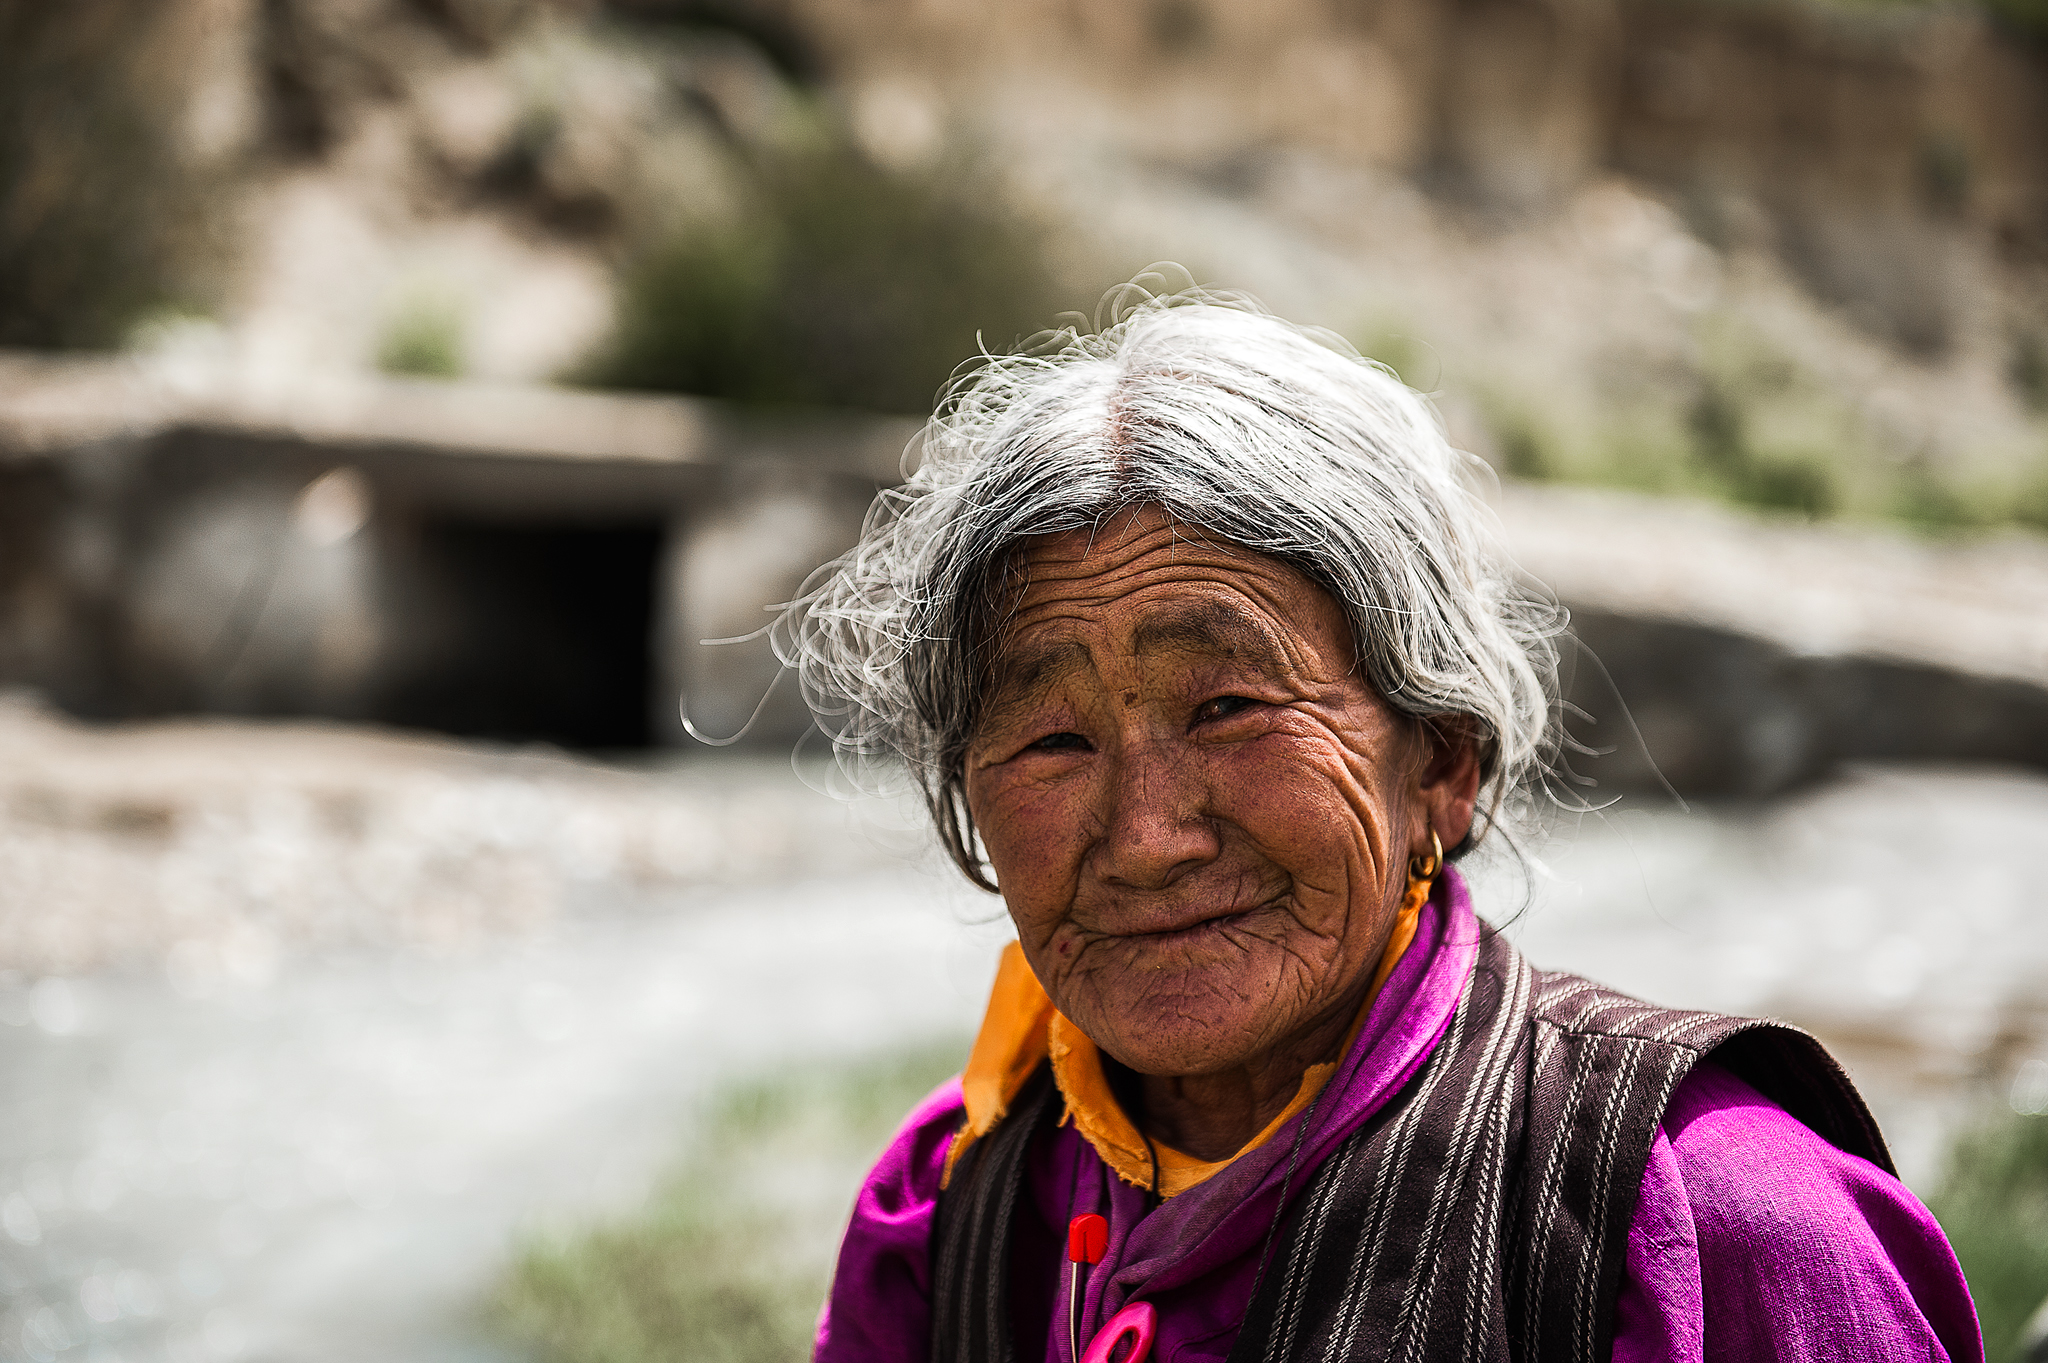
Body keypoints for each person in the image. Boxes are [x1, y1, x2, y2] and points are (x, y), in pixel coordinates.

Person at [789, 293, 1981, 1362]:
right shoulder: (960, 1202)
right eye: (1052, 740)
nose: (1146, 837)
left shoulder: (1713, 1222)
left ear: (1442, 761)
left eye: (1228, 707)